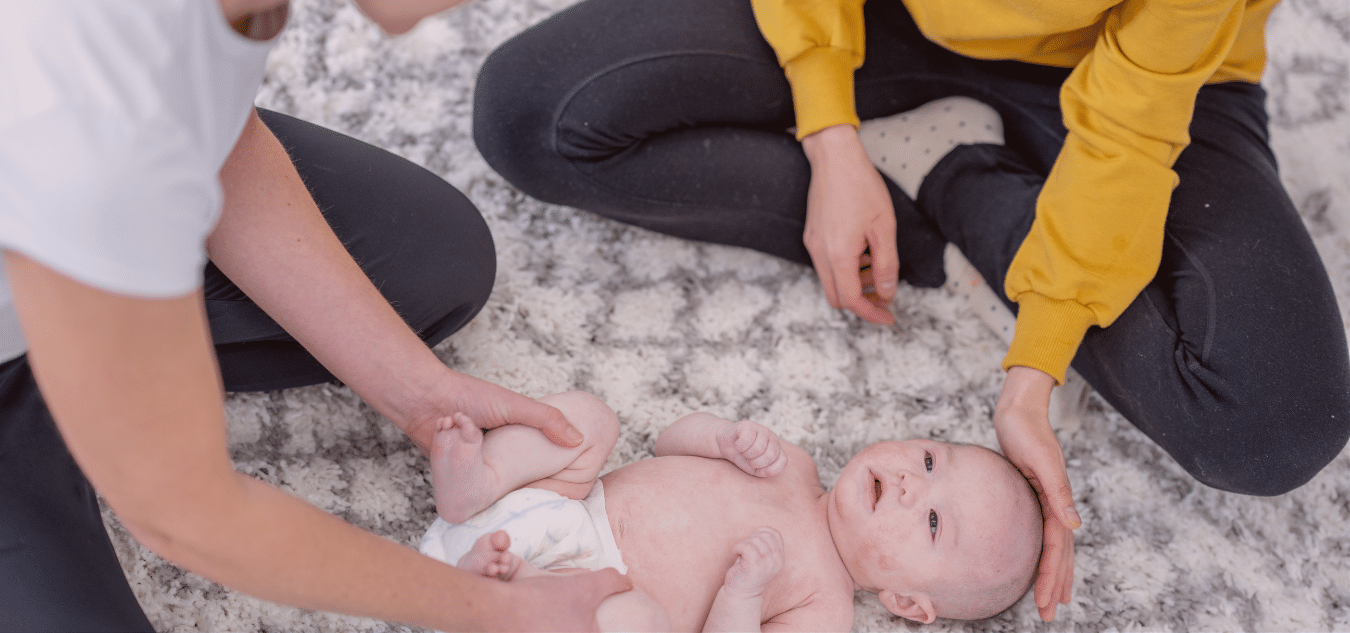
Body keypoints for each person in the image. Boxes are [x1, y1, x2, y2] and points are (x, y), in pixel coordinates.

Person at [468, 0, 1350, 620]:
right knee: (532, 114)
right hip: (889, 20)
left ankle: (953, 175)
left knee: (1272, 423)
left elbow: (1127, 130)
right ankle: (909, 197)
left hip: (1154, 84)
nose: (911, 478)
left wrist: (1035, 365)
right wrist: (832, 135)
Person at [0, 1, 631, 630]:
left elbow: (214, 135)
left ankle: (99, 356)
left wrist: (420, 393)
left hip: (73, 211)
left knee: (433, 261)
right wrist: (495, 610)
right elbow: (182, 516)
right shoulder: (78, 113)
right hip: (57, 223)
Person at [420, 391, 1044, 630]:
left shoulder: (823, 607)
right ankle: (475, 484)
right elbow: (666, 445)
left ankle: (510, 589)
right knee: (587, 421)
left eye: (933, 522)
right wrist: (715, 436)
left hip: (581, 597)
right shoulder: (790, 464)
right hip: (555, 505)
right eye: (931, 461)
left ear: (907, 603)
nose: (912, 483)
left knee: (640, 626)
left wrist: (742, 595)